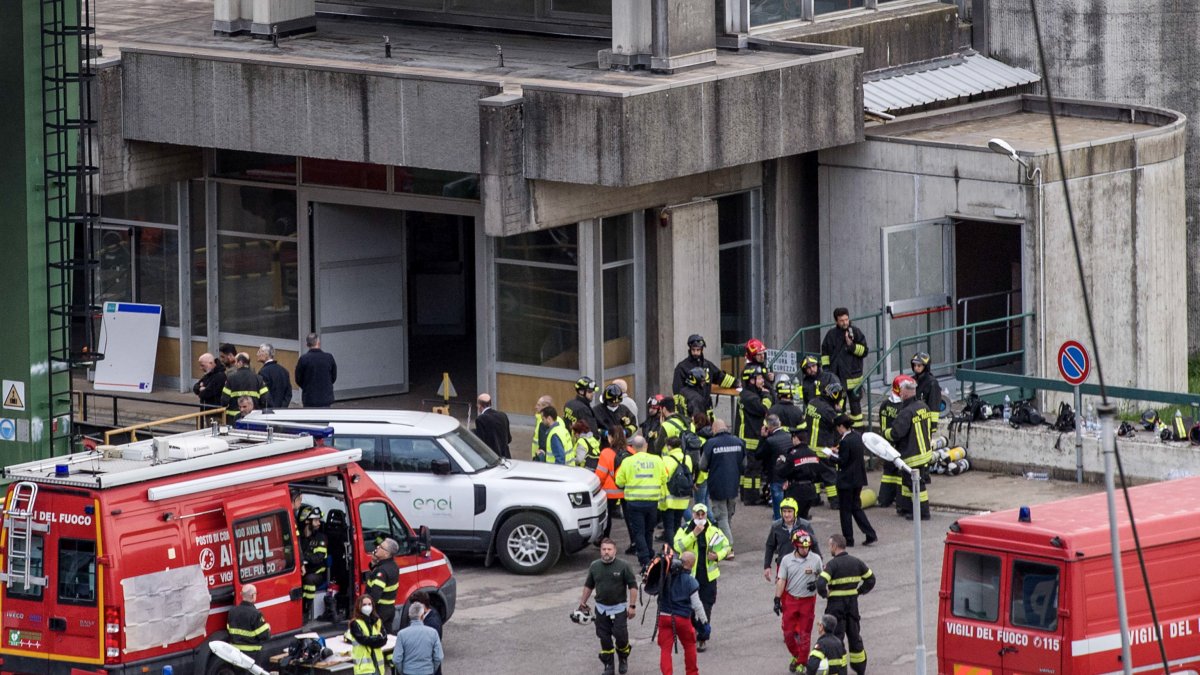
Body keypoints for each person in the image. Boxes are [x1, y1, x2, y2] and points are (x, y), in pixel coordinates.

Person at [672, 503, 729, 651]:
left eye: (703, 514)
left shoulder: (713, 530)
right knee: (689, 607)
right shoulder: (684, 530)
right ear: (693, 514)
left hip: (708, 576)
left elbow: (726, 546)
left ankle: (702, 637)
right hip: (689, 576)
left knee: (706, 606)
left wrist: (718, 555)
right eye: (698, 514)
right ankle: (692, 632)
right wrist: (694, 534)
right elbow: (678, 547)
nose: (700, 517)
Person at [578, 538, 639, 675]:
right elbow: (589, 585)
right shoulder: (594, 566)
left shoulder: (624, 566)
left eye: (609, 549)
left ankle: (623, 659)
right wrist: (583, 602)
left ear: (615, 551)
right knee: (604, 638)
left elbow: (633, 586)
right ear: (600, 551)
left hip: (619, 608)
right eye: (604, 549)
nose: (606, 552)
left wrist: (632, 606)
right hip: (601, 609)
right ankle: (609, 665)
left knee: (621, 636)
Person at [817, 534, 874, 675]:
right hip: (852, 605)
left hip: (836, 607)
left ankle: (839, 670)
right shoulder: (856, 562)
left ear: (835, 546)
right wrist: (859, 591)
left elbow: (820, 583)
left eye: (830, 546)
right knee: (855, 636)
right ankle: (860, 668)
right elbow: (871, 579)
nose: (829, 548)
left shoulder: (832, 565)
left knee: (837, 639)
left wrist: (825, 594)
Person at [886, 376, 934, 520]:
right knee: (907, 483)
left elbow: (896, 433)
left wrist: (885, 433)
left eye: (900, 391)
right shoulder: (923, 407)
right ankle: (908, 508)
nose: (899, 394)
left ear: (905, 393)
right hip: (924, 452)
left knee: (916, 484)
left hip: (912, 455)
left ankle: (923, 512)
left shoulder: (906, 412)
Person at [775, 531, 824, 672]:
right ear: (795, 546)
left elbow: (823, 576)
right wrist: (777, 599)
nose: (805, 549)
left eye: (807, 547)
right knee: (788, 634)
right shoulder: (786, 560)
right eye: (802, 547)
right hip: (791, 599)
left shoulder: (815, 559)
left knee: (804, 633)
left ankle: (802, 662)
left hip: (808, 601)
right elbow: (781, 580)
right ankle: (797, 655)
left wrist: (816, 583)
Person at [614, 434, 664, 570]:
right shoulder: (657, 460)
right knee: (649, 530)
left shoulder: (627, 462)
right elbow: (665, 478)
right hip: (652, 502)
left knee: (639, 532)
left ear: (632, 448)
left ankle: (645, 559)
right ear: (646, 446)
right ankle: (649, 553)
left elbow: (619, 481)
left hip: (635, 503)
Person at [657, 551, 707, 675]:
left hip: (664, 617)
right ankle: (692, 673)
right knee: (689, 645)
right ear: (692, 564)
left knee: (665, 650)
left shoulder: (666, 576)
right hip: (682, 619)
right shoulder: (690, 581)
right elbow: (697, 605)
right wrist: (705, 622)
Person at [699, 419, 744, 554]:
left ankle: (728, 548)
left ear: (714, 430)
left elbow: (702, 465)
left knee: (721, 517)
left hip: (717, 485)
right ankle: (723, 542)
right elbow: (744, 464)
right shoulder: (739, 442)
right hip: (733, 484)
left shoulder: (711, 443)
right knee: (728, 515)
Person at [832, 415, 877, 546]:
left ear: (841, 427)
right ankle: (870, 533)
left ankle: (848, 538)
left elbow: (843, 461)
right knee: (856, 508)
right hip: (858, 478)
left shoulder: (845, 441)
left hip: (846, 480)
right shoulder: (857, 436)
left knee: (845, 511)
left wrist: (830, 456)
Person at [821, 308, 869, 428]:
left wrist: (851, 346)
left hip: (854, 379)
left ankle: (858, 432)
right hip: (837, 380)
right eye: (841, 320)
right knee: (838, 408)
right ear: (836, 321)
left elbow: (864, 351)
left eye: (846, 319)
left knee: (856, 409)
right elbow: (825, 354)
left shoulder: (856, 332)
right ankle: (840, 432)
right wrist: (827, 371)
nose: (845, 322)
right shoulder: (831, 335)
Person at [736, 365, 773, 505]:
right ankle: (751, 497)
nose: (762, 380)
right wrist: (767, 395)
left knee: (748, 471)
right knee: (752, 471)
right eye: (758, 378)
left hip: (749, 436)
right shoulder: (750, 397)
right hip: (751, 438)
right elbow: (764, 409)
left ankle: (746, 495)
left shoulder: (748, 394)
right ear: (751, 381)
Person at [805, 381, 844, 510]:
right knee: (830, 476)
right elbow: (839, 425)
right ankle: (835, 501)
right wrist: (839, 412)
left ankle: (814, 499)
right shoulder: (828, 410)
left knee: (814, 476)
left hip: (810, 447)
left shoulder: (812, 402)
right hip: (823, 448)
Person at [763, 497, 821, 582]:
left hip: (802, 564)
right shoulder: (776, 526)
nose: (786, 515)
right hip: (783, 565)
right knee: (782, 593)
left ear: (795, 512)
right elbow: (770, 546)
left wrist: (820, 564)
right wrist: (767, 566)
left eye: (789, 511)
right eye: (784, 511)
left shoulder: (805, 525)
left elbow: (814, 544)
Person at [671, 334, 735, 409]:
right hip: (690, 410)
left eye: (698, 350)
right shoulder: (682, 367)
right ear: (690, 349)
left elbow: (720, 377)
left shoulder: (707, 365)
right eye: (693, 350)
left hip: (706, 409)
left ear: (702, 350)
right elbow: (677, 391)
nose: (695, 353)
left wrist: (736, 383)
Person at [875, 376, 905, 510]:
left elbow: (882, 425)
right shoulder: (903, 406)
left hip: (886, 444)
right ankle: (900, 501)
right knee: (900, 474)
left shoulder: (885, 404)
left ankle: (884, 499)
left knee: (888, 472)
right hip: (899, 444)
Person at [778, 429, 823, 519]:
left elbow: (783, 472)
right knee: (804, 518)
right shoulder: (813, 453)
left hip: (796, 491)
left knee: (793, 519)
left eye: (792, 438)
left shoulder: (793, 454)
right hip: (810, 491)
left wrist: (779, 463)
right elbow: (819, 473)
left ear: (796, 438)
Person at [660, 437, 695, 546]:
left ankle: (671, 549)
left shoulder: (665, 460)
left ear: (669, 446)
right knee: (677, 525)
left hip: (669, 499)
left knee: (669, 527)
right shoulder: (687, 458)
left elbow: (663, 478)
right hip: (683, 498)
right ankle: (678, 546)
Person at [393, 602, 443, 675]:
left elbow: (396, 659)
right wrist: (432, 670)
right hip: (428, 671)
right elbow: (438, 657)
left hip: (408, 672)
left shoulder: (402, 634)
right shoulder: (433, 633)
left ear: (409, 615)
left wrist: (402, 672)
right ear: (422, 616)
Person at [227, 583, 270, 668]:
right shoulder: (256, 614)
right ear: (252, 596)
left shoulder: (232, 612)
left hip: (236, 656)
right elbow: (265, 636)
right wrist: (268, 628)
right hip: (252, 657)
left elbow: (229, 630)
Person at [760, 414, 793, 520]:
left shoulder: (770, 441)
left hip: (775, 476)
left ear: (769, 427)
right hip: (788, 476)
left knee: (778, 509)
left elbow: (758, 454)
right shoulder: (789, 436)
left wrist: (763, 438)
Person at [345, 593, 387, 675]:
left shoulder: (377, 621)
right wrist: (377, 638)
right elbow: (363, 640)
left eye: (369, 604)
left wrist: (372, 639)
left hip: (377, 665)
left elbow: (384, 639)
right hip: (364, 668)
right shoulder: (355, 623)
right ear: (359, 606)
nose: (367, 607)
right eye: (364, 604)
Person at [298, 506, 328, 621]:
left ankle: (306, 610)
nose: (318, 523)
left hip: (317, 574)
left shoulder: (321, 538)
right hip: (302, 571)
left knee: (309, 580)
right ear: (307, 521)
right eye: (315, 520)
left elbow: (318, 558)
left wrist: (303, 557)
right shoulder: (299, 537)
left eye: (319, 520)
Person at [366, 538, 400, 631]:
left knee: (375, 638)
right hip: (389, 610)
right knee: (387, 638)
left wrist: (365, 610)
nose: (377, 547)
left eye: (381, 547)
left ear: (386, 554)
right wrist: (373, 562)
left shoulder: (382, 571)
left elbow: (375, 595)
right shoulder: (393, 566)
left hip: (379, 611)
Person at [221, 353, 268, 421]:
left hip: (234, 418)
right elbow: (265, 400)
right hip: (254, 417)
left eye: (235, 362)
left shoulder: (231, 378)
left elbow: (224, 400)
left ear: (240, 363)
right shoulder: (258, 378)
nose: (235, 364)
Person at [295, 333, 337, 407]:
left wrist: (307, 387)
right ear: (318, 343)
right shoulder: (328, 357)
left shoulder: (303, 359)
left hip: (309, 398)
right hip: (326, 397)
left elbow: (298, 379)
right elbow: (333, 377)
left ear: (307, 345)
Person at [472, 393, 512, 459]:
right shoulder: (503, 415)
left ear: (479, 406)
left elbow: (481, 443)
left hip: (492, 458)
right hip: (506, 456)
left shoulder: (480, 419)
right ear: (490, 403)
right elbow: (509, 439)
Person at [911, 352, 943, 432]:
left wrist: (933, 426)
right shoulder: (912, 380)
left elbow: (934, 404)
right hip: (913, 419)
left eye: (919, 366)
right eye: (914, 365)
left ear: (925, 367)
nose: (916, 368)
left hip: (925, 421)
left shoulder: (932, 383)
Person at [256, 343, 292, 409]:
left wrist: (270, 408)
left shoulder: (263, 372)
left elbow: (264, 394)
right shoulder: (284, 371)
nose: (257, 354)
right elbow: (288, 393)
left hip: (269, 411)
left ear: (266, 354)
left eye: (259, 351)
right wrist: (283, 407)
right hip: (282, 411)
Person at [530, 395, 554, 460]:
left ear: (545, 407)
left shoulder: (544, 422)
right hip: (538, 456)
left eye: (538, 405)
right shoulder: (540, 419)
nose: (535, 407)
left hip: (543, 458)